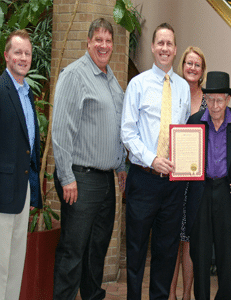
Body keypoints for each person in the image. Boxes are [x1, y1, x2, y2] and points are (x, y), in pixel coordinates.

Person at [52, 18, 126, 300]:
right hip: (80, 179)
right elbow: (60, 130)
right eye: (99, 40)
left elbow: (116, 125)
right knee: (74, 249)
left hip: (106, 181)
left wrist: (120, 165)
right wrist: (67, 177)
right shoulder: (74, 75)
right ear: (88, 42)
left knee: (97, 247)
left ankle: (92, 295)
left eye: (108, 41)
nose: (104, 45)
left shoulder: (110, 78)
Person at [121, 23, 191, 299]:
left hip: (173, 185)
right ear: (152, 47)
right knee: (136, 250)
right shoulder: (137, 84)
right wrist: (152, 160)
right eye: (160, 43)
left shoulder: (183, 88)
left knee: (166, 250)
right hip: (143, 179)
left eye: (169, 44)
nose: (164, 48)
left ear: (175, 50)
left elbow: (185, 133)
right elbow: (127, 132)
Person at [187, 71, 231, 299]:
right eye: (210, 99)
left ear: (228, 99)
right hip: (201, 193)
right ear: (205, 98)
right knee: (200, 253)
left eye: (219, 100)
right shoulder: (194, 122)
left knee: (228, 254)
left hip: (227, 193)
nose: (214, 106)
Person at [0, 29, 42, 299]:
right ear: (6, 56)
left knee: (15, 264)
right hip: (2, 193)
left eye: (27, 53)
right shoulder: (1, 90)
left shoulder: (27, 94)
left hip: (23, 190)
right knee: (1, 264)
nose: (23, 58)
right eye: (18, 52)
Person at [169, 46, 207, 300]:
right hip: (172, 178)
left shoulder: (211, 100)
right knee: (172, 238)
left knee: (190, 240)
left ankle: (186, 295)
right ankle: (169, 294)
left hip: (198, 181)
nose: (192, 68)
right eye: (189, 63)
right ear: (182, 65)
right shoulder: (171, 93)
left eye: (197, 64)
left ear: (202, 71)